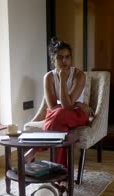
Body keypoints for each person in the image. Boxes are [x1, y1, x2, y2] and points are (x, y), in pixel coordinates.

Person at [25, 37, 94, 168]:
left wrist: (62, 79)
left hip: (78, 115)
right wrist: (78, 103)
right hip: (57, 113)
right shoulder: (49, 77)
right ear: (53, 59)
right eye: (60, 57)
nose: (64, 61)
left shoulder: (79, 75)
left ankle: (35, 150)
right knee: (60, 129)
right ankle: (61, 175)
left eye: (67, 57)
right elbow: (52, 106)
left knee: (59, 114)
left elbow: (67, 106)